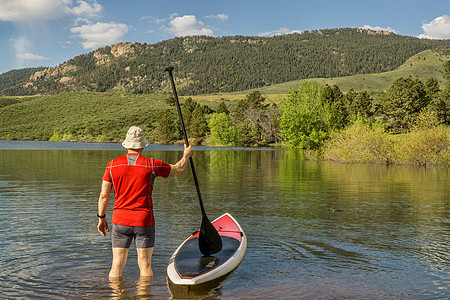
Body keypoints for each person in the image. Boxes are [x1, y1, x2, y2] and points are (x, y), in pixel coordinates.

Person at [97, 126, 194, 279]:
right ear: (143, 145)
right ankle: (145, 295)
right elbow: (179, 169)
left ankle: (115, 295)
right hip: (144, 221)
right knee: (145, 265)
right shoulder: (152, 164)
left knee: (117, 264)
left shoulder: (112, 165)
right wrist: (186, 156)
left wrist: (101, 218)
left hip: (120, 221)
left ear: (127, 144)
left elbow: (103, 195)